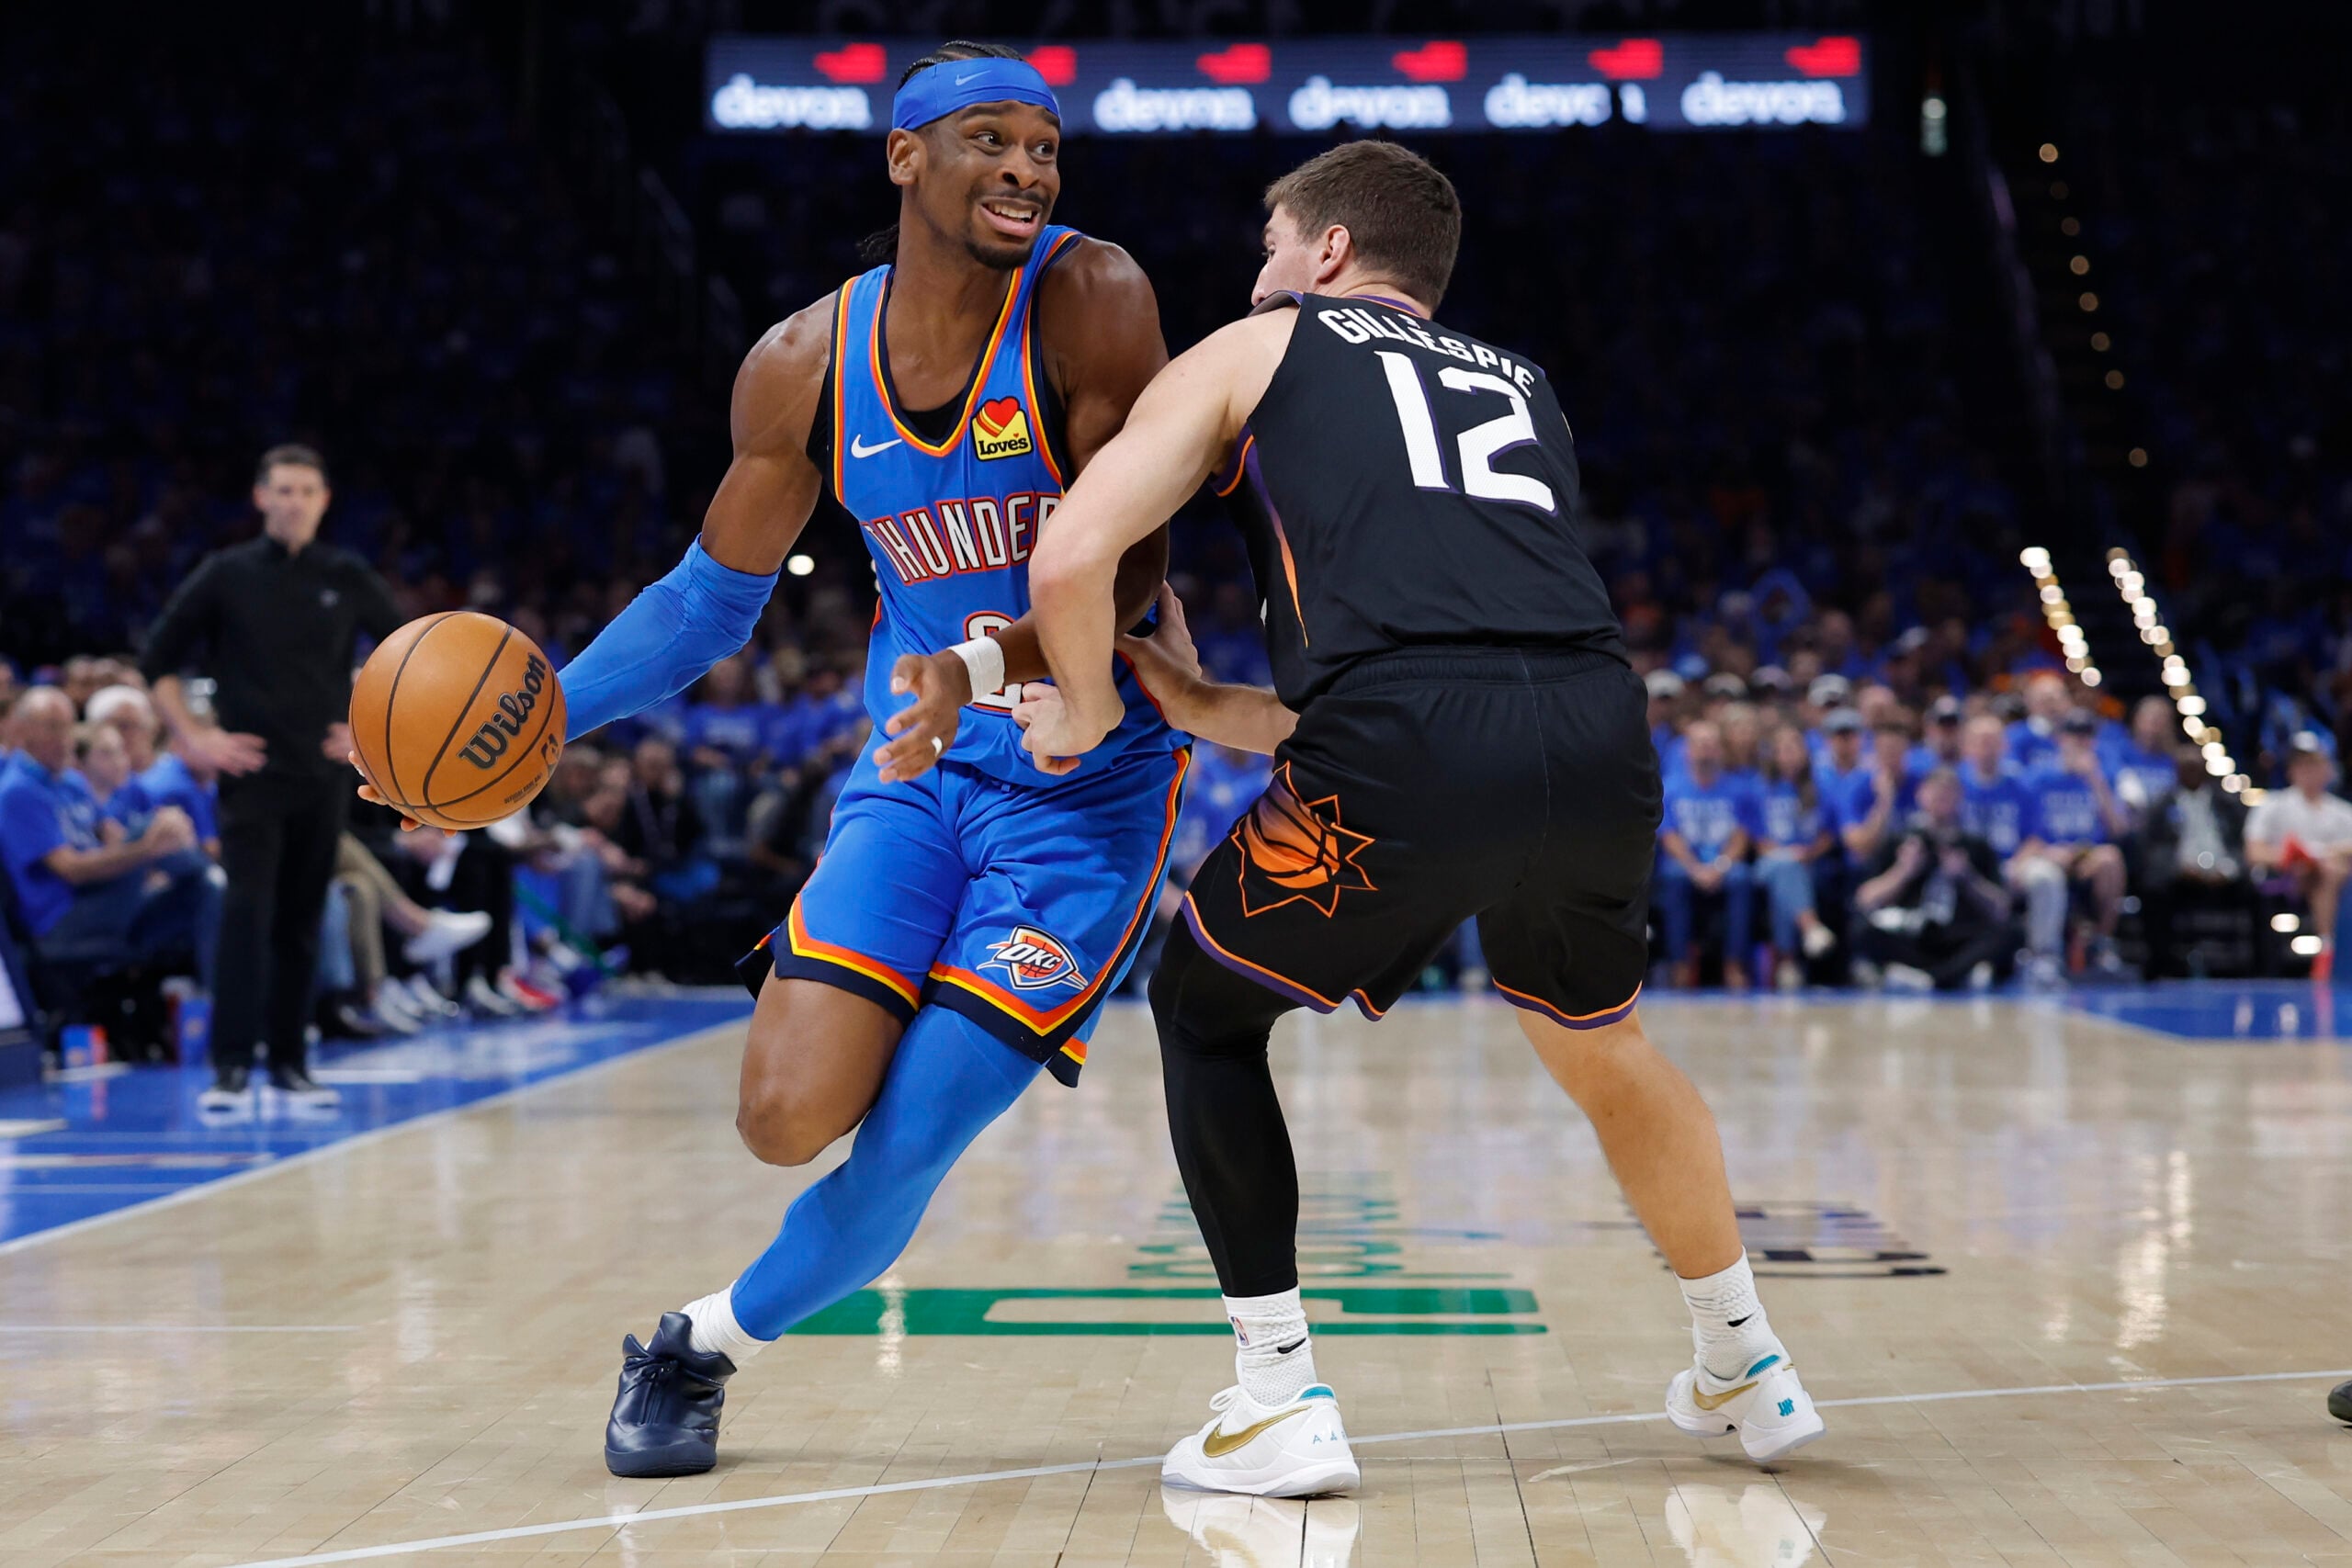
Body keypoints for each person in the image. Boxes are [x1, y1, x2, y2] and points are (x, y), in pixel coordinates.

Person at [356, 42, 1181, 1480]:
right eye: (992, 141)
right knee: (782, 1114)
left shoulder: (1091, 297)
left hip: (1086, 790)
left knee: (913, 1131)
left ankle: (697, 1344)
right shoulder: (803, 365)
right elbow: (704, 601)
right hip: (922, 778)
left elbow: (1123, 569)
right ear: (903, 157)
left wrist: (982, 669)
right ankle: (858, 1077)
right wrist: (532, 724)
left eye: (1045, 149)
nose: (1029, 172)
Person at [1023, 138, 1821, 1495]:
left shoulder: (1258, 344)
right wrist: (1201, 697)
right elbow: (1449, 661)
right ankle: (1743, 1351)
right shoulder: (1527, 383)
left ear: (1328, 252)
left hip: (1412, 741)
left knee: (1205, 1010)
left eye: (1273, 245)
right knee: (1603, 1043)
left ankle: (1275, 1394)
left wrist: (1091, 704)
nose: (1260, 270)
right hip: (1594, 728)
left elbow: (1073, 553)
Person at [142, 445, 401, 1110]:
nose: (293, 502)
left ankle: (291, 1063)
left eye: (305, 491)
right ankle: (231, 1066)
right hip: (251, 775)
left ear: (324, 500)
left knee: (303, 920)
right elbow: (157, 660)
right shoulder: (226, 574)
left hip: (321, 774)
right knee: (245, 915)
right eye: (281, 490)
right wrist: (194, 739)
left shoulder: (346, 575)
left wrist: (370, 734)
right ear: (260, 497)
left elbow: (409, 652)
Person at [0, 688, 220, 987]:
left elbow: (113, 841)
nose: (64, 737)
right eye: (52, 726)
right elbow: (72, 870)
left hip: (108, 899)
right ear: (21, 730)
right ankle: (212, 871)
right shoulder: (18, 791)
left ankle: (218, 1007)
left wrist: (149, 851)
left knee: (206, 890)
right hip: (61, 921)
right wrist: (146, 849)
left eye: (68, 726)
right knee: (151, 828)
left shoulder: (71, 782)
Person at [1851, 767, 2016, 991]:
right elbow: (1865, 899)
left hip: (1960, 933)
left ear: (1959, 799)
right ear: (1920, 795)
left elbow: (2001, 908)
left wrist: (1968, 878)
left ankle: (1931, 978)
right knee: (1862, 931)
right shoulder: (1901, 842)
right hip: (1912, 931)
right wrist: (1902, 872)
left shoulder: (1976, 845)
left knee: (2010, 933)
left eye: (1947, 795)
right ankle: (1954, 976)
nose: (1941, 801)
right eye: (1935, 794)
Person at [2020, 710, 2130, 975]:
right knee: (2046, 870)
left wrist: (2095, 780)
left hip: (2084, 856)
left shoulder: (2102, 776)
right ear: (2061, 739)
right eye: (2074, 735)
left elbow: (2118, 829)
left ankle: (2101, 943)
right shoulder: (2039, 778)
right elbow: (2026, 833)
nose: (2081, 742)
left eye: (2086, 736)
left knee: (2111, 859)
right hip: (2047, 852)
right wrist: (2049, 851)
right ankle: (2044, 955)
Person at [1656, 720, 1757, 990]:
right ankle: (1680, 966)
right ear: (1687, 750)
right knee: (1673, 878)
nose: (1706, 750)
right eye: (1700, 744)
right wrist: (1694, 868)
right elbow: (1670, 837)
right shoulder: (1671, 788)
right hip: (1685, 865)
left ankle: (1733, 965)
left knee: (1741, 879)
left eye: (1712, 744)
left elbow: (1741, 837)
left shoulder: (1738, 788)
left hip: (1724, 864)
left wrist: (1719, 867)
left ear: (1721, 751)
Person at [2246, 733, 2352, 981]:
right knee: (2324, 869)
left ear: (2327, 769)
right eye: (2302, 765)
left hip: (2335, 877)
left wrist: (2326, 853)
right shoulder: (2273, 804)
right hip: (2286, 878)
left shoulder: (2342, 811)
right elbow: (2254, 852)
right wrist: (2294, 857)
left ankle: (2332, 946)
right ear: (2291, 770)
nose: (2309, 772)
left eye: (2315, 765)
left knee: (2330, 868)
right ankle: (2327, 946)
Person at [1754, 724, 1838, 987]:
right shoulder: (1761, 788)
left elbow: (1829, 834)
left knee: (1787, 880)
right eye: (1784, 750)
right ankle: (1811, 928)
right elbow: (1756, 840)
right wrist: (1784, 853)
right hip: (1767, 863)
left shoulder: (1820, 787)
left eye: (1795, 748)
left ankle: (1787, 962)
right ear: (1775, 755)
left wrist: (1809, 853)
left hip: (1808, 864)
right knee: (1785, 868)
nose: (1790, 755)